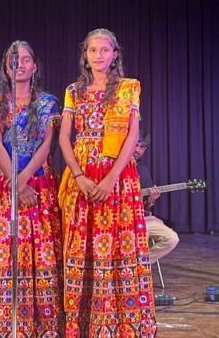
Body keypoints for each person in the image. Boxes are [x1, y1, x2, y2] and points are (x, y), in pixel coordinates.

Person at [58, 28, 157, 337]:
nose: (98, 55)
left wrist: (112, 177)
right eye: (92, 51)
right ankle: (83, 323)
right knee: (82, 247)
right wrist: (78, 175)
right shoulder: (73, 90)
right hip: (83, 174)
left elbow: (133, 135)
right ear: (85, 57)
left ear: (115, 54)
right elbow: (64, 137)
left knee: (118, 247)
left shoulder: (129, 88)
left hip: (119, 176)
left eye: (104, 50)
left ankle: (121, 322)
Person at [0, 41, 62, 336]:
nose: (20, 65)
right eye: (14, 60)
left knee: (40, 252)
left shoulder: (48, 102)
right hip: (4, 187)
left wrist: (24, 178)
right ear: (5, 66)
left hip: (38, 185)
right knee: (6, 253)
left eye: (26, 60)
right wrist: (15, 183)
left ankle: (42, 325)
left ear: (35, 66)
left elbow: (47, 145)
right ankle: (2, 323)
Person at [134, 130, 179, 262]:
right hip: (123, 219)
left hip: (142, 217)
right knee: (142, 234)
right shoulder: (117, 168)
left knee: (171, 238)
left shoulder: (143, 171)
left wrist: (151, 201)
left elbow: (145, 205)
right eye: (136, 145)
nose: (138, 150)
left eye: (142, 147)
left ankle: (140, 264)